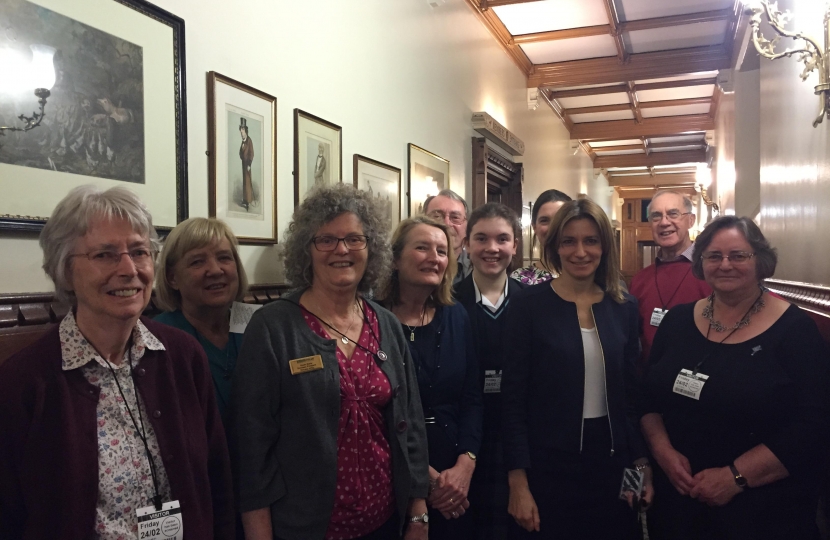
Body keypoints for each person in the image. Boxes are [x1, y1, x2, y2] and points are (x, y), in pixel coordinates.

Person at [0, 186, 234, 539]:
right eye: (105, 255)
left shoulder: (184, 356)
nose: (129, 269)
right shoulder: (23, 381)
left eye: (139, 251)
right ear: (65, 270)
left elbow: (217, 480)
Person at [230, 184, 429, 540]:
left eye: (355, 239)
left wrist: (417, 514)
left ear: (372, 249)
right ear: (307, 249)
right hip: (305, 528)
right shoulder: (274, 328)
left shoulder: (386, 324)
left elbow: (410, 423)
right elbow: (252, 446)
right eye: (326, 240)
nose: (342, 249)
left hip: (384, 522)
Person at [640, 216, 830, 540]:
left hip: (763, 511)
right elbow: (648, 397)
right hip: (679, 503)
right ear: (701, 262)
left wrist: (735, 478)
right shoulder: (677, 321)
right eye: (714, 256)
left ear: (761, 261)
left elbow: (813, 425)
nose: (725, 264)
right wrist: (663, 453)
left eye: (738, 255)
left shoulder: (795, 331)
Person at [502, 198, 651, 540]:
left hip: (611, 464)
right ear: (554, 246)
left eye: (591, 240)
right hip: (547, 466)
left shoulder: (624, 307)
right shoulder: (528, 306)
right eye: (569, 241)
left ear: (604, 246)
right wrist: (518, 482)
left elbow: (629, 400)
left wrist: (639, 468)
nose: (580, 251)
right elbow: (512, 402)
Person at [378, 215, 483, 539]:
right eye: (422, 247)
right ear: (395, 259)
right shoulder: (371, 320)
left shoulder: (457, 316)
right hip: (392, 474)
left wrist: (466, 464)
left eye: (441, 251)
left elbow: (472, 398)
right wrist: (427, 480)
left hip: (456, 478)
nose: (434, 258)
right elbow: (372, 412)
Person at [455, 203, 526, 540]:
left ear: (516, 244)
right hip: (465, 436)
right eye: (481, 238)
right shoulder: (448, 303)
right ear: (467, 244)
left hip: (520, 433)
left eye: (502, 239)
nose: (492, 249)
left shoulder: (533, 304)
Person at [154, 217, 248, 420]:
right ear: (172, 278)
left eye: (224, 258)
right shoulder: (157, 339)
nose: (215, 270)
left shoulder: (258, 323)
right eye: (197, 262)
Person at [629, 190, 711, 368]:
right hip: (650, 382)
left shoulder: (712, 272)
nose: (664, 222)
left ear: (690, 220)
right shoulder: (639, 280)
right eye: (656, 216)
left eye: (673, 214)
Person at [510, 189, 571, 285]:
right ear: (534, 227)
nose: (552, 227)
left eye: (560, 219)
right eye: (544, 220)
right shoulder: (520, 279)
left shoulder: (587, 274)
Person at [424, 189, 472, 285]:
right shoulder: (411, 263)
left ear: (467, 226)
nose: (446, 224)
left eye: (455, 218)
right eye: (437, 216)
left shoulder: (478, 266)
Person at [239, 118, 254, 211]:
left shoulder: (249, 141)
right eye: (241, 130)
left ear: (246, 131)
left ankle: (248, 201)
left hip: (247, 164)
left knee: (248, 182)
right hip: (243, 164)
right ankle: (244, 200)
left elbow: (251, 153)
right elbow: (241, 152)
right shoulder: (243, 141)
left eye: (243, 130)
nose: (241, 132)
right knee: (244, 182)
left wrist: (249, 164)